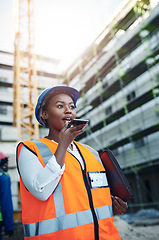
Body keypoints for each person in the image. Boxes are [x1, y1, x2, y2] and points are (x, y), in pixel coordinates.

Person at [16, 85, 128, 240]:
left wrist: (114, 205)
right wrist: (63, 145)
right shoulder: (30, 149)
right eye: (60, 106)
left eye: (71, 107)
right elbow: (41, 191)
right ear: (45, 114)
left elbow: (93, 195)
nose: (68, 110)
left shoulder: (91, 152)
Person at [0, 152, 14, 240]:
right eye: (6, 164)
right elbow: (6, 203)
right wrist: (9, 225)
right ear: (3, 165)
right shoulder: (4, 178)